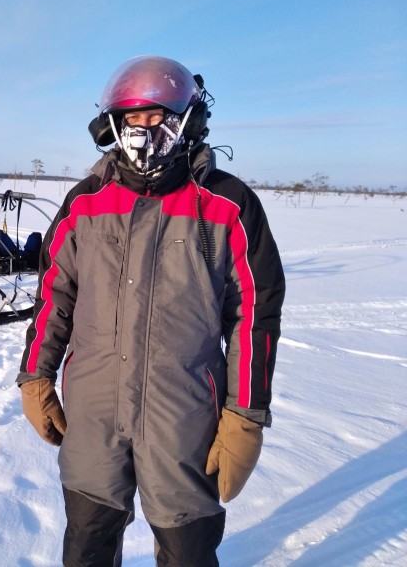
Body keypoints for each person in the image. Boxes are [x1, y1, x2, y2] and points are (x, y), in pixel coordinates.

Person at [16, 55, 286, 566]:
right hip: (95, 414)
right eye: (133, 119)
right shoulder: (85, 202)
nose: (144, 131)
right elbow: (54, 295)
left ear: (187, 120)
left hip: (183, 417)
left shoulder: (228, 204)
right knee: (87, 543)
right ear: (113, 126)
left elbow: (255, 314)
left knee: (187, 549)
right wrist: (36, 376)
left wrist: (245, 415)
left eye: (158, 117)